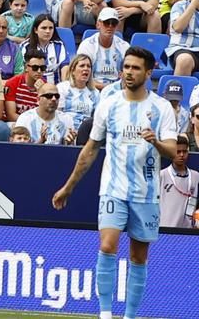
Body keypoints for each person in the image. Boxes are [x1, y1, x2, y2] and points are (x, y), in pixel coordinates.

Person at [52, 47, 179, 319]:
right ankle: (105, 313)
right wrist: (68, 186)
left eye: (135, 68)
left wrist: (155, 140)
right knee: (107, 245)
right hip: (113, 189)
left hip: (146, 193)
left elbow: (173, 150)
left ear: (148, 72)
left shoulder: (161, 107)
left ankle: (131, 315)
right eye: (126, 67)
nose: (129, 72)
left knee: (138, 257)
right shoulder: (109, 104)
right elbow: (90, 148)